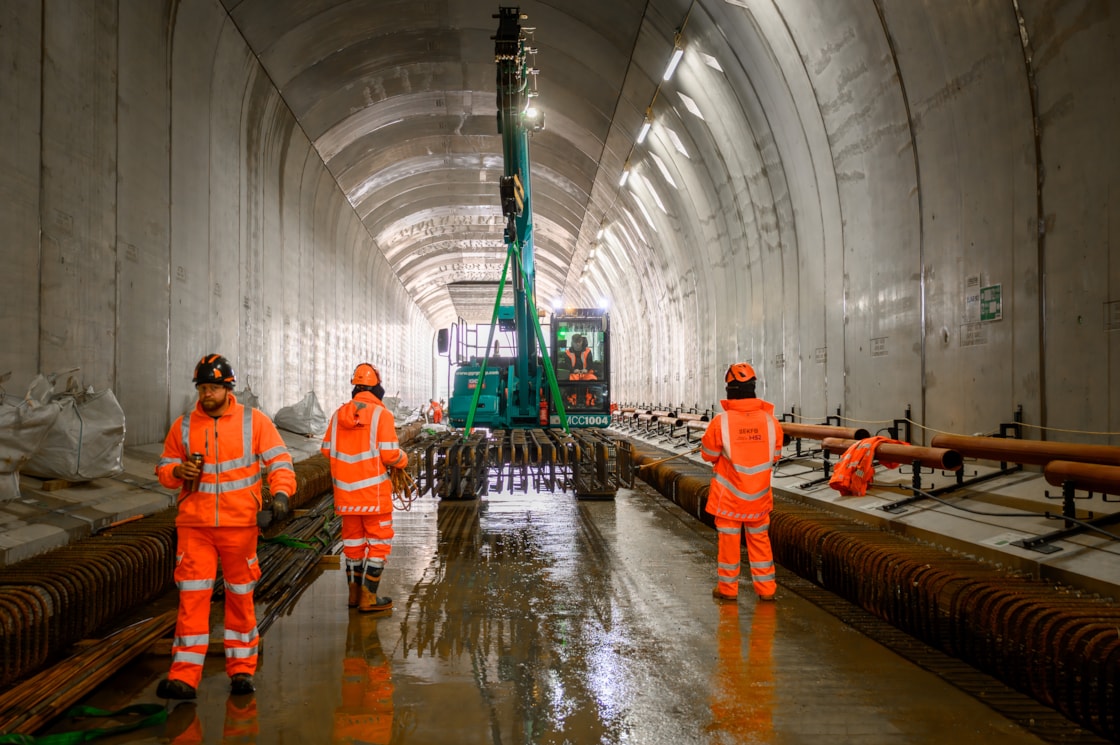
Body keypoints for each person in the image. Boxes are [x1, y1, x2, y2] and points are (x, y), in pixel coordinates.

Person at [155, 354, 296, 699]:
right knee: (192, 599)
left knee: (240, 598)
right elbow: (165, 467)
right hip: (196, 526)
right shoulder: (184, 426)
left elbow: (281, 461)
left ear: (227, 388)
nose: (207, 394)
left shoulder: (254, 422)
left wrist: (281, 496)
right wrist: (176, 472)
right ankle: (184, 677)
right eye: (203, 388)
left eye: (214, 388)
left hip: (240, 526)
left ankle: (242, 671)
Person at [321, 363, 408, 613]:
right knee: (379, 542)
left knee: (353, 543)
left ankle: (353, 595)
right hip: (373, 495)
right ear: (377, 389)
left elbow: (327, 450)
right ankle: (369, 597)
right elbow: (391, 455)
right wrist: (404, 459)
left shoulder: (338, 415)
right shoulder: (382, 415)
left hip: (345, 496)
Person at [700, 363, 783, 602]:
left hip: (730, 500)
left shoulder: (721, 422)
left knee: (729, 545)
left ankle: (728, 590)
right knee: (760, 543)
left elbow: (708, 454)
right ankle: (766, 590)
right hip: (758, 498)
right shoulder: (770, 422)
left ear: (730, 389)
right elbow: (775, 456)